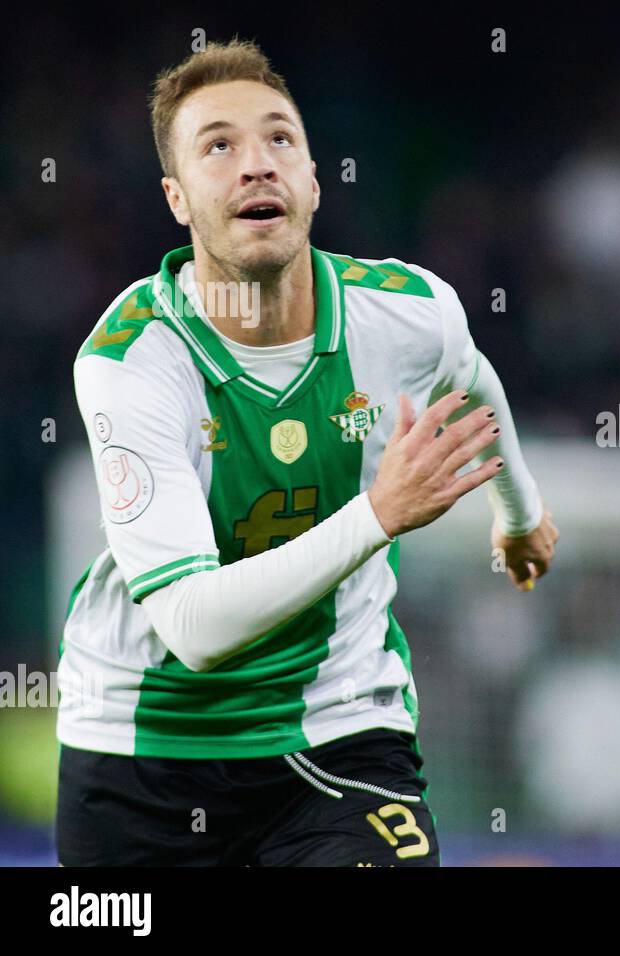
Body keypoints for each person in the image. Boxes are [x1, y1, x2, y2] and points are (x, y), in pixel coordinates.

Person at [55, 38, 558, 866]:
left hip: (339, 726)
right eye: (219, 145)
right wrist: (379, 514)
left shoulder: (405, 310)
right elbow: (192, 627)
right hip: (141, 755)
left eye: (280, 139)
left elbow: (469, 376)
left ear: (315, 183)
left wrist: (520, 514)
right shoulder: (131, 362)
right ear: (178, 200)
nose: (257, 164)